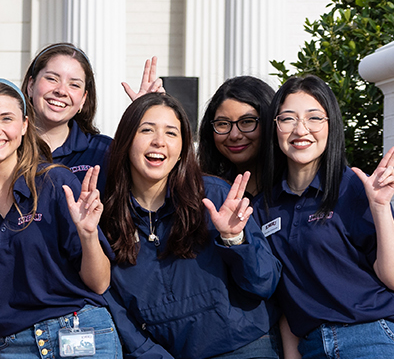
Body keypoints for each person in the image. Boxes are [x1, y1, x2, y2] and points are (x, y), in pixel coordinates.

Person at [0, 79, 116, 359]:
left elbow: (100, 284)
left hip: (81, 334)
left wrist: (88, 235)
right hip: (13, 347)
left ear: (24, 125)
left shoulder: (56, 183)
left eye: (7, 119)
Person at [100, 92, 280, 359]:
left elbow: (264, 284)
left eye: (171, 133)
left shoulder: (215, 196)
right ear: (126, 140)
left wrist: (235, 239)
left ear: (184, 146)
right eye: (146, 130)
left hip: (242, 345)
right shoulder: (106, 215)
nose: (159, 141)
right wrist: (148, 353)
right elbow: (110, 302)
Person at [255, 75, 394, 358]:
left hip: (374, 338)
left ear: (331, 125)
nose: (301, 129)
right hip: (313, 346)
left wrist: (381, 207)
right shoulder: (264, 208)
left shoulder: (354, 188)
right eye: (288, 119)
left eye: (314, 118)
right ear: (275, 128)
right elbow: (286, 297)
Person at [20, 44, 165, 188]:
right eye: (52, 79)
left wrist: (148, 113)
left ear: (83, 99)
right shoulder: (9, 148)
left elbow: (149, 183)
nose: (61, 90)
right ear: (31, 86)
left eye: (74, 85)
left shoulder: (106, 152)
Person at [199, 76, 276, 196]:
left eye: (246, 122)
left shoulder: (293, 188)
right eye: (223, 124)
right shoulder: (205, 191)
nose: (234, 135)